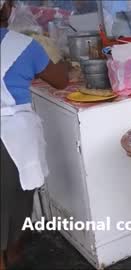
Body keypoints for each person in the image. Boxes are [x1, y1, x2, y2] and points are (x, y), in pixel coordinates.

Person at [0, 0, 68, 268]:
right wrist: (56, 54)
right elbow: (60, 80)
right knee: (14, 205)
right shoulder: (24, 45)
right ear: (6, 10)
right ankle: (12, 253)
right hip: (11, 139)